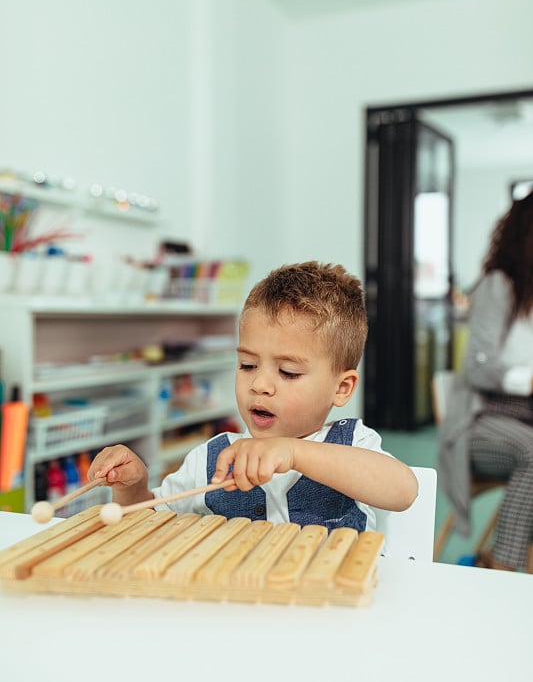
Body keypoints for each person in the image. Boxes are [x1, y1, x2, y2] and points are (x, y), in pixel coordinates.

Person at [88, 261, 417, 537]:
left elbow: (402, 490)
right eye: (247, 365)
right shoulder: (212, 459)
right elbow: (148, 523)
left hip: (335, 611)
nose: (260, 384)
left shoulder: (352, 444)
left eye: (287, 372)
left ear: (341, 388)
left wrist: (293, 452)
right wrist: (134, 487)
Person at [438, 191, 533, 572]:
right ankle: (501, 566)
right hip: (479, 423)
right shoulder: (498, 286)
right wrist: (528, 379)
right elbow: (478, 367)